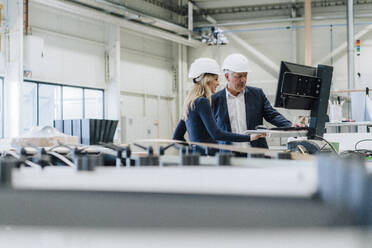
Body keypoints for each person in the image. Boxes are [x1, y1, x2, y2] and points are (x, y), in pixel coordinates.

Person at [172, 57, 265, 154]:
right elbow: (217, 134)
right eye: (216, 79)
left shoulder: (190, 103)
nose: (218, 83)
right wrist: (249, 137)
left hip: (199, 161)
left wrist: (192, 151)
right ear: (207, 80)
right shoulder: (203, 102)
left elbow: (176, 138)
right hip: (209, 161)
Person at [212, 53, 303, 149]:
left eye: (245, 75)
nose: (243, 80)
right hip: (228, 155)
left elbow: (273, 115)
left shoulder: (257, 94)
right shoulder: (215, 100)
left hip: (255, 152)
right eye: (239, 76)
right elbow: (212, 130)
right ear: (227, 77)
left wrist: (291, 126)